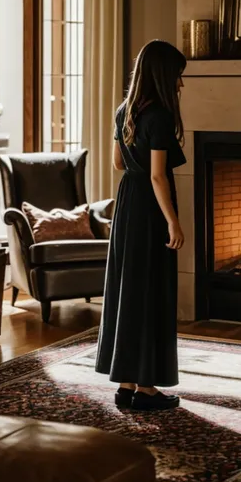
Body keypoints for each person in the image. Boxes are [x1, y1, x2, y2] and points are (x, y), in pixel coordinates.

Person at [95, 39, 187, 411]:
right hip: (150, 212)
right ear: (164, 76)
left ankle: (126, 383)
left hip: (127, 207)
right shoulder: (161, 116)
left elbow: (118, 164)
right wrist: (174, 223)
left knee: (129, 293)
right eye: (178, 76)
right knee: (152, 295)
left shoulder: (124, 110)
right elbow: (158, 177)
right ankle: (146, 390)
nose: (181, 85)